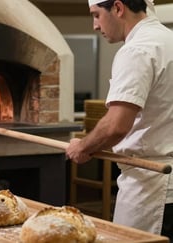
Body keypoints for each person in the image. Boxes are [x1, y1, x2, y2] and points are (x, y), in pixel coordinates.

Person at [65, 0, 173, 240]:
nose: (95, 25)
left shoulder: (137, 50)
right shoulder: (168, 39)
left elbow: (116, 125)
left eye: (96, 15)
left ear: (118, 8)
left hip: (152, 187)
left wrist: (82, 147)